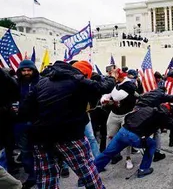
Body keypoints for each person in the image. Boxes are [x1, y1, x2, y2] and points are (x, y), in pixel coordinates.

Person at [19, 60, 116, 189]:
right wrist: (112, 76)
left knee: (46, 176)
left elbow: (24, 110)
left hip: (40, 137)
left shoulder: (42, 82)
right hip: (69, 135)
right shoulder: (78, 79)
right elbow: (104, 87)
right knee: (86, 170)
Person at [95, 87, 173, 178]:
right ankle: (143, 169)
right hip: (134, 136)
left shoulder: (144, 106)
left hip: (123, 132)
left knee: (107, 153)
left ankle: (91, 173)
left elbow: (129, 117)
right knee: (152, 143)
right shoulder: (161, 115)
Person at [101, 68, 137, 170]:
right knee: (110, 136)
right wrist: (105, 99)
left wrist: (112, 84)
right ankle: (112, 156)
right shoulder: (116, 84)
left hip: (126, 114)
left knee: (127, 137)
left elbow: (117, 96)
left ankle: (128, 158)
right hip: (115, 113)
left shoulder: (129, 85)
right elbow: (107, 95)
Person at [15, 59, 40, 188]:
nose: (26, 73)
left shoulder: (40, 82)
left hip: (37, 122)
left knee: (39, 150)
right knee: (25, 151)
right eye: (23, 70)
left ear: (33, 70)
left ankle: (43, 173)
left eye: (28, 70)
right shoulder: (16, 83)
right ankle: (32, 175)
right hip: (21, 122)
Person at [0, 69, 22, 188]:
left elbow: (15, 93)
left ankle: (9, 167)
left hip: (5, 119)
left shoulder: (7, 81)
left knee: (6, 147)